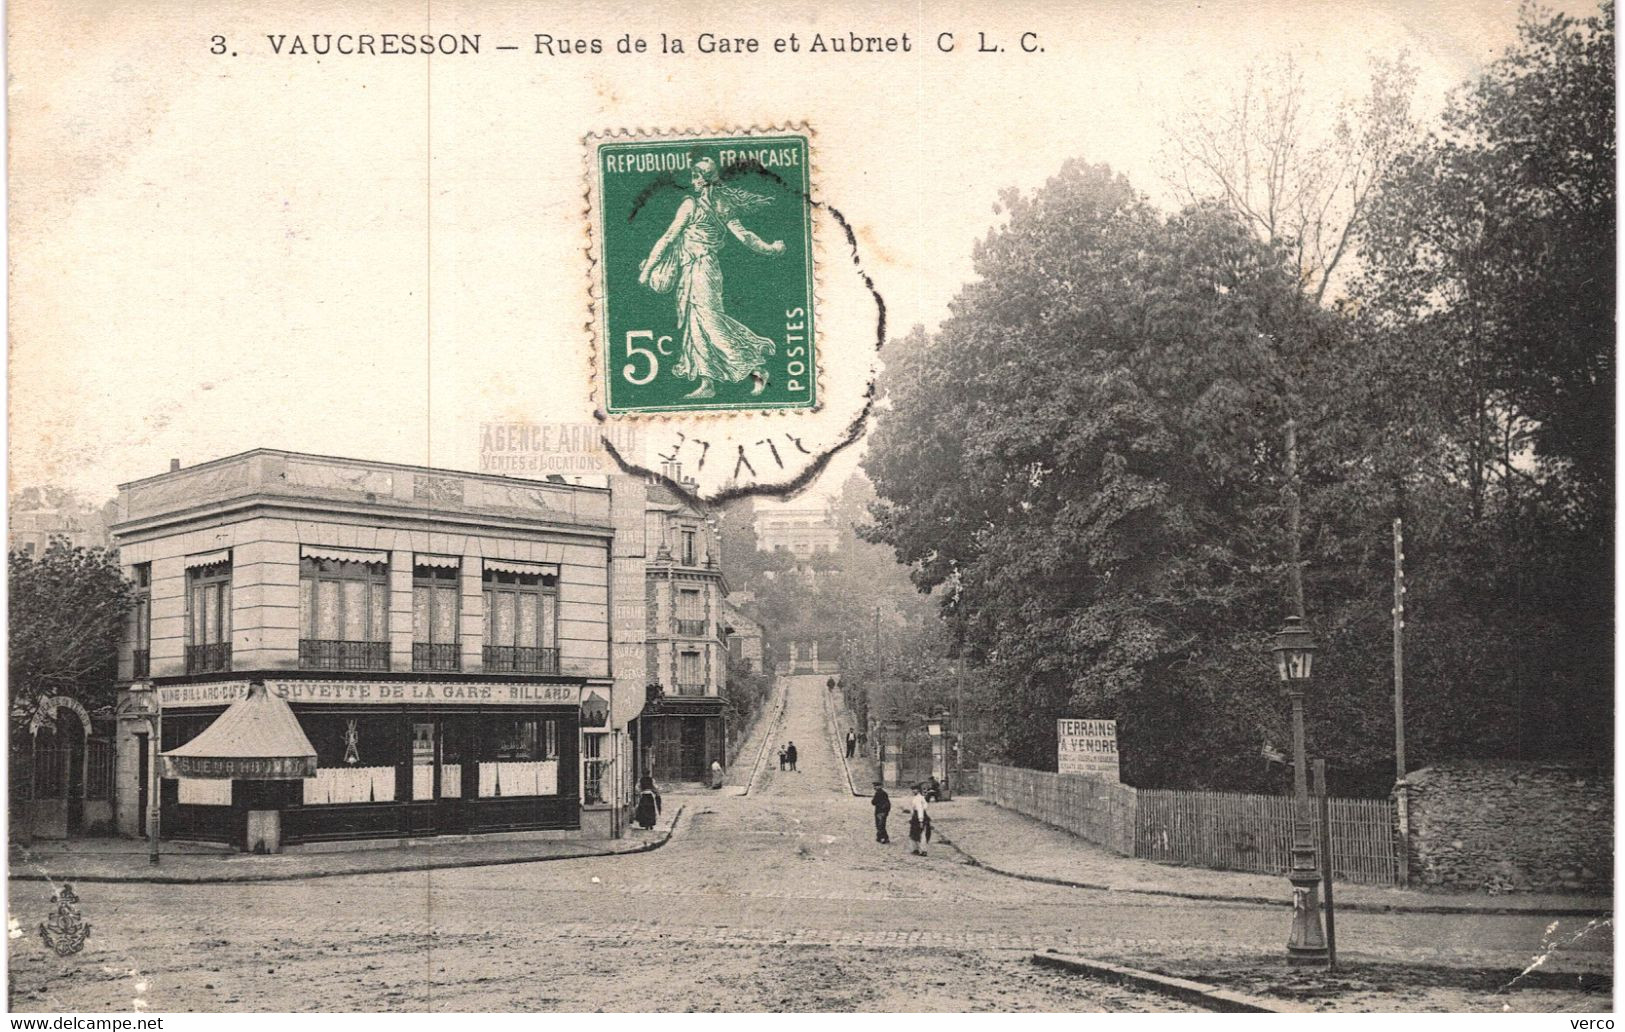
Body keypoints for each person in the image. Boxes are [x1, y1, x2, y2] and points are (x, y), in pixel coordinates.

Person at [637, 156, 785, 399]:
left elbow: (667, 238)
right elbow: (746, 237)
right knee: (695, 327)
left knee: (711, 324)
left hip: (702, 272)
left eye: (696, 176)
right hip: (696, 270)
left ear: (701, 180)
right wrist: (770, 248)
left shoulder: (691, 206)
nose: (693, 181)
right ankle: (707, 384)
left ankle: (757, 368)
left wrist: (646, 271)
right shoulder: (722, 206)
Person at [909, 783, 930, 855]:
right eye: (912, 790)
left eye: (915, 789)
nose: (913, 791)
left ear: (918, 790)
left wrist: (920, 820)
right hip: (916, 816)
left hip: (919, 816)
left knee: (920, 833)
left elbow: (920, 809)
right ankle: (916, 849)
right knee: (915, 833)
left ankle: (922, 850)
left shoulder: (918, 798)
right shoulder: (920, 797)